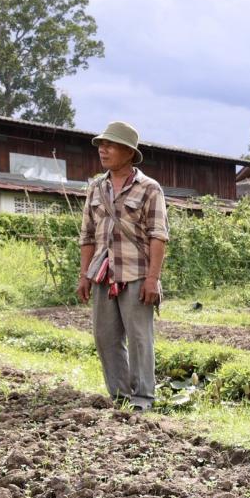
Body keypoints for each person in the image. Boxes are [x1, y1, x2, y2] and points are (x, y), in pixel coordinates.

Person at [76, 121, 169, 411]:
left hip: (137, 274)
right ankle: (120, 396)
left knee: (140, 338)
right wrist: (84, 276)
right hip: (103, 273)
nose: (103, 150)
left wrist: (153, 279)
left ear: (129, 152)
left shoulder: (149, 189)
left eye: (110, 145)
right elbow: (87, 235)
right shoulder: (96, 188)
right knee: (105, 337)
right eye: (101, 145)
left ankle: (143, 399)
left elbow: (158, 236)